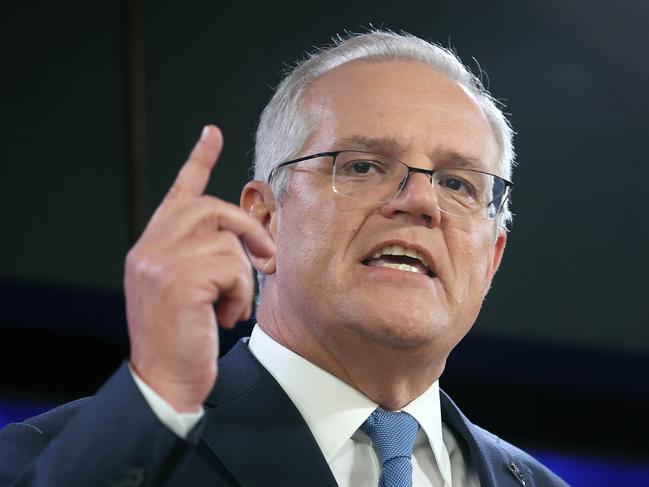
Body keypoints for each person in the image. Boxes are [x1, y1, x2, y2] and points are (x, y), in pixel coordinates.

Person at [0, 31, 569, 486]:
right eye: (363, 166)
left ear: (492, 257)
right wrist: (158, 403)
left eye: (458, 184)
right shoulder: (59, 461)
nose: (421, 201)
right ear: (264, 220)